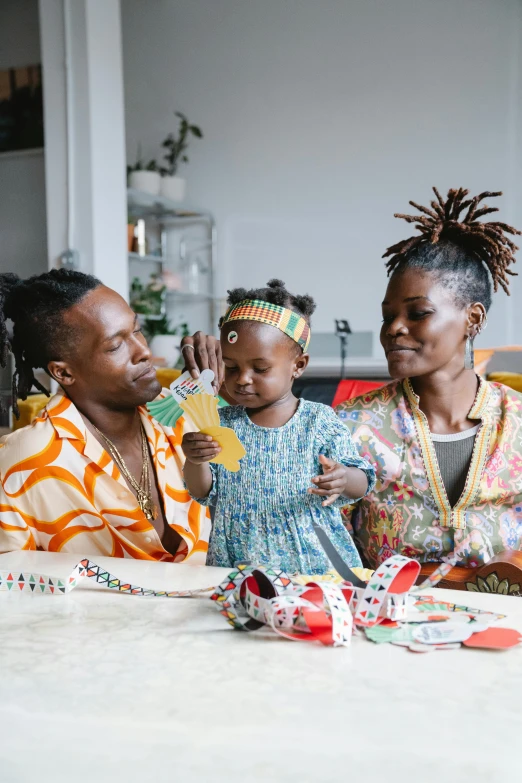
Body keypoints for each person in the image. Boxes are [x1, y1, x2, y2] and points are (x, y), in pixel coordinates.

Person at [335, 187, 522, 570]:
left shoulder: (517, 421)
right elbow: (321, 545)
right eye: (388, 316)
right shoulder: (350, 426)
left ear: (473, 318)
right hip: (385, 622)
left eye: (417, 313)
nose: (394, 329)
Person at [0, 269, 218, 562]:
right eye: (116, 345)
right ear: (63, 372)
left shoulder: (181, 415)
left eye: (137, 330)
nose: (143, 351)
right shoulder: (23, 463)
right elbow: (11, 591)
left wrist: (232, 363)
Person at [180, 279, 375, 574]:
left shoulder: (319, 421)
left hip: (313, 566)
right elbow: (203, 491)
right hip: (238, 563)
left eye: (260, 369)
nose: (243, 379)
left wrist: (343, 478)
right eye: (231, 367)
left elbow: (362, 481)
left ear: (298, 365)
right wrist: (196, 460)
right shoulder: (219, 422)